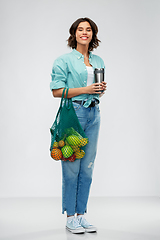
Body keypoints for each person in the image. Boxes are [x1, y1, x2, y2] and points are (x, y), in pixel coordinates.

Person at [50, 17, 107, 234]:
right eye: (81, 29)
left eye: (89, 29)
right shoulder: (63, 61)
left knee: (88, 168)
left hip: (94, 113)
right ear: (74, 34)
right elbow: (57, 91)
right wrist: (86, 90)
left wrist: (98, 90)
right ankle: (70, 217)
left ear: (93, 34)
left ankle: (82, 214)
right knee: (72, 166)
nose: (85, 32)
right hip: (74, 114)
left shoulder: (99, 60)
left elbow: (97, 90)